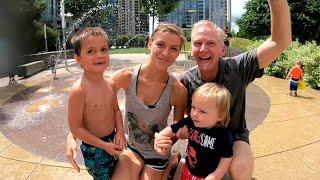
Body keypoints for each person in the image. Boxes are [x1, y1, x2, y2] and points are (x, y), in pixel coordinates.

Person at [163, 0, 291, 179]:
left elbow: (280, 41)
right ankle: (179, 161)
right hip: (203, 139)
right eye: (197, 43)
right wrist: (167, 137)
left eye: (211, 43)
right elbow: (185, 119)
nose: (203, 49)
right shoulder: (186, 80)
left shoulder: (239, 68)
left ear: (223, 49)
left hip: (235, 136)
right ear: (191, 49)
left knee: (241, 167)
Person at [66, 23, 188, 180]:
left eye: (174, 48)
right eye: (160, 44)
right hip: (131, 148)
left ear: (178, 53)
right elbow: (94, 102)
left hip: (158, 154)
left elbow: (176, 129)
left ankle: (172, 161)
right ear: (150, 43)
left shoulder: (178, 90)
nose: (165, 53)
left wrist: (168, 140)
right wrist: (71, 136)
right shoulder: (126, 77)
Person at [67, 27, 127, 179]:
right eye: (91, 51)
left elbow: (115, 111)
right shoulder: (79, 91)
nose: (99, 55)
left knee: (118, 173)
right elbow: (76, 128)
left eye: (103, 49)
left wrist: (120, 131)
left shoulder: (111, 85)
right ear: (78, 58)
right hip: (94, 148)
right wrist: (104, 146)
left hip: (112, 139)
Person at [154, 83, 233, 180]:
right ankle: (177, 162)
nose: (195, 114)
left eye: (202, 111)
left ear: (220, 116)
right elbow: (173, 128)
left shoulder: (223, 135)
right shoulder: (191, 122)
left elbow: (226, 157)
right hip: (189, 167)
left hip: (207, 176)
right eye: (193, 107)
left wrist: (216, 175)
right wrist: (159, 136)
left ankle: (177, 161)